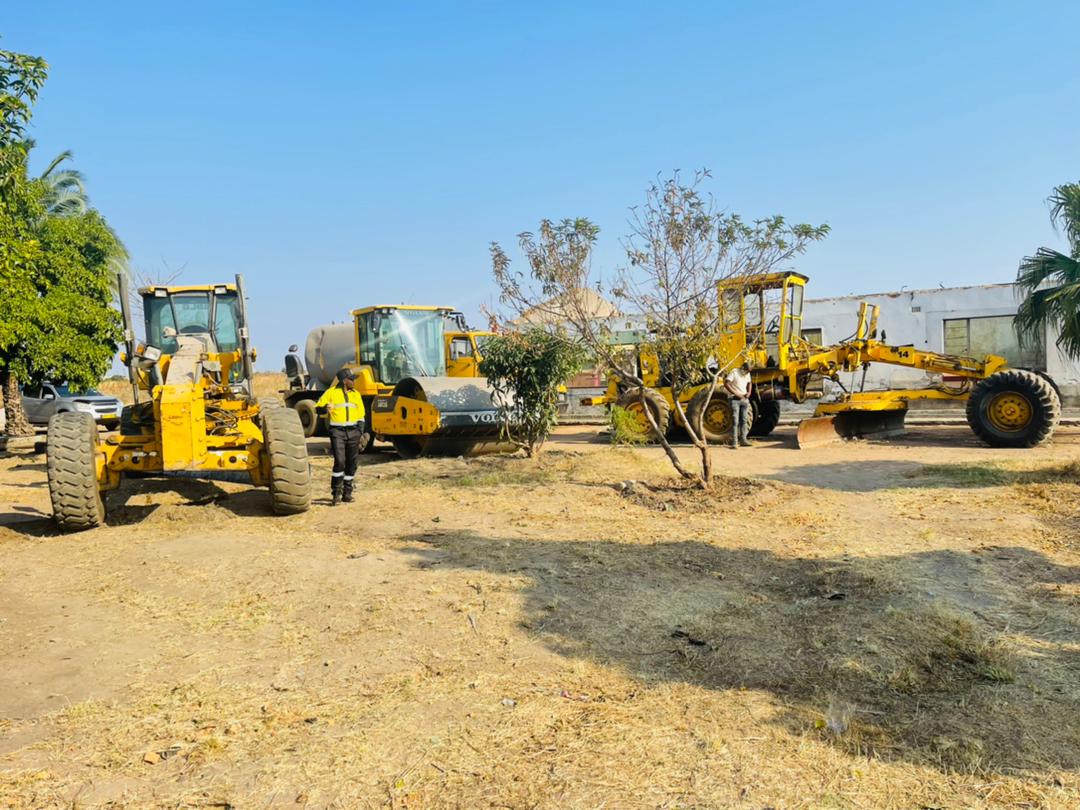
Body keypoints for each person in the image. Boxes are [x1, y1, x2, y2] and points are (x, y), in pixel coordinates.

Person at [316, 368, 366, 505]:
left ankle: (347, 494)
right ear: (345, 381)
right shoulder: (331, 393)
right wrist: (325, 408)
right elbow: (317, 407)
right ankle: (336, 494)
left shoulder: (356, 394)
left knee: (352, 464)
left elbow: (361, 414)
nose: (354, 381)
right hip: (337, 432)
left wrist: (360, 432)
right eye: (352, 379)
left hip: (353, 433)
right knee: (340, 462)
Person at [724, 361, 753, 449]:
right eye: (746, 371)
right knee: (735, 421)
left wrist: (749, 392)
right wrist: (736, 394)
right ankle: (734, 442)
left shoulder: (747, 374)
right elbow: (726, 383)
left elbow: (749, 383)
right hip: (734, 399)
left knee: (744, 420)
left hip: (744, 399)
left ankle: (743, 440)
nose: (747, 373)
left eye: (749, 371)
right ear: (743, 368)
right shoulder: (734, 372)